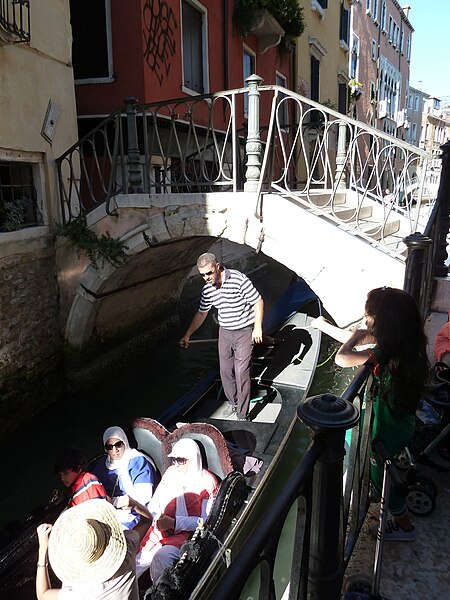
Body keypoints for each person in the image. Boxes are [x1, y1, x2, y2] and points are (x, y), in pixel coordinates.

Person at [312, 287, 429, 542]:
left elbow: (342, 358)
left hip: (384, 433)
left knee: (384, 479)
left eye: (369, 318)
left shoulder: (384, 355)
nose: (366, 321)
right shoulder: (410, 346)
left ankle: (403, 526)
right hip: (401, 425)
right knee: (389, 470)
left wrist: (354, 337)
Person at [179, 253, 264, 421]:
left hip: (244, 330)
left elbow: (258, 301)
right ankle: (233, 402)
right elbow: (202, 313)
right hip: (225, 332)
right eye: (202, 274)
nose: (206, 278)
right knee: (225, 371)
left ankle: (242, 413)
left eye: (209, 273)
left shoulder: (239, 280)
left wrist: (258, 328)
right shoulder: (207, 289)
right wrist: (188, 334)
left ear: (217, 266)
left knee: (241, 371)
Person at [136, 438, 219, 584]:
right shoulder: (171, 473)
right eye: (174, 459)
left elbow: (206, 522)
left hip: (188, 535)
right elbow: (154, 505)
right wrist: (159, 520)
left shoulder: (207, 481)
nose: (176, 464)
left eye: (181, 460)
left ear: (193, 459)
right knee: (133, 556)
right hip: (161, 528)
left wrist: (175, 523)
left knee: (162, 558)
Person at [36, 498, 152, 599]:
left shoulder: (79, 594)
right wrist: (135, 504)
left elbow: (43, 594)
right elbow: (147, 520)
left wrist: (42, 549)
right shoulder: (127, 549)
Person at [91, 426, 157, 529]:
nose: (115, 450)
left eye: (118, 445)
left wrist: (114, 502)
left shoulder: (137, 461)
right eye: (109, 447)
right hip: (107, 511)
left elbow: (144, 496)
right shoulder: (101, 465)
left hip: (136, 512)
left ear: (124, 442)